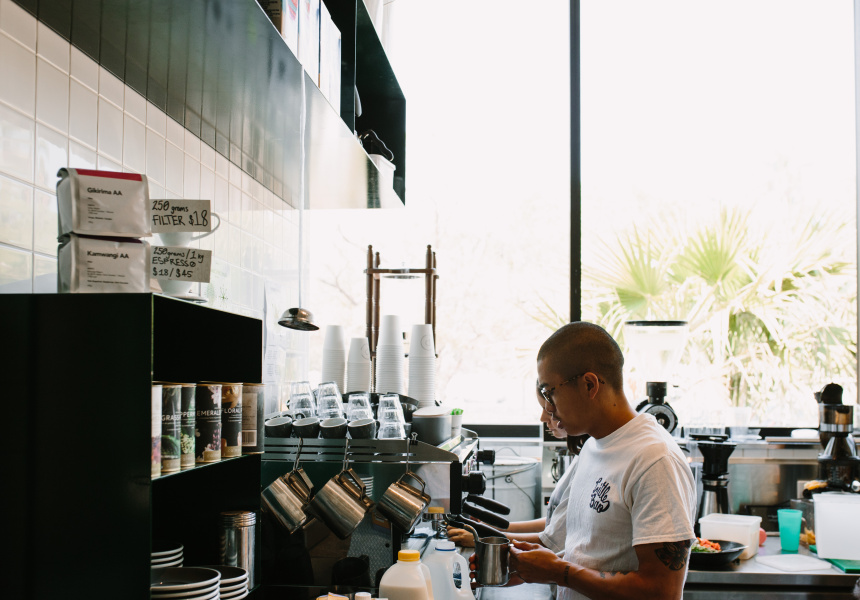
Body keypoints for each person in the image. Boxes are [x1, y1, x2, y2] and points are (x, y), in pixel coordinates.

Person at [485, 322, 696, 600]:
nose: (547, 410)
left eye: (549, 393)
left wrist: (558, 572)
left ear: (589, 385)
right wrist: (519, 567)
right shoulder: (593, 447)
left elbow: (662, 592)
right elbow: (584, 553)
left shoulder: (655, 460)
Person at [448, 385, 586, 551]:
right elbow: (554, 523)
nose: (542, 418)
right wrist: (494, 529)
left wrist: (484, 539)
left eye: (549, 410)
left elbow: (551, 541)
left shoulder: (588, 463)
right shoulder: (582, 456)